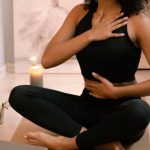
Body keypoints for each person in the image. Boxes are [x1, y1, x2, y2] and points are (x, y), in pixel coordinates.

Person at [9, 0, 150, 150]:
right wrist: (91, 34)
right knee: (20, 94)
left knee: (140, 111)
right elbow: (48, 60)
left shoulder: (138, 20)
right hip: (87, 107)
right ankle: (98, 142)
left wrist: (116, 92)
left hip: (123, 111)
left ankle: (67, 143)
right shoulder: (79, 12)